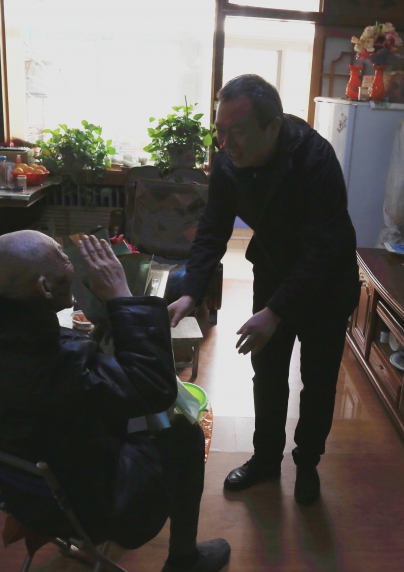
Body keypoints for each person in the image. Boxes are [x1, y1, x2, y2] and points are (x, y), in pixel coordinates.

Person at [0, 231, 230, 572]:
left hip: (27, 497)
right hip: (91, 505)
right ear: (45, 287)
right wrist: (121, 295)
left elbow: (72, 387)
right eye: (63, 259)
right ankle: (184, 563)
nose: (72, 263)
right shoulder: (60, 363)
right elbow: (156, 389)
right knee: (185, 434)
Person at [168, 74, 360, 506]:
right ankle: (266, 460)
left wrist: (275, 312)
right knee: (268, 373)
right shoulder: (228, 162)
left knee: (318, 380)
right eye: (220, 131)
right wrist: (190, 291)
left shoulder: (315, 158)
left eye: (236, 132)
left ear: (272, 127)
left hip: (327, 282)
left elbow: (323, 249)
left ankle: (307, 463)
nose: (226, 144)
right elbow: (213, 228)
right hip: (274, 270)